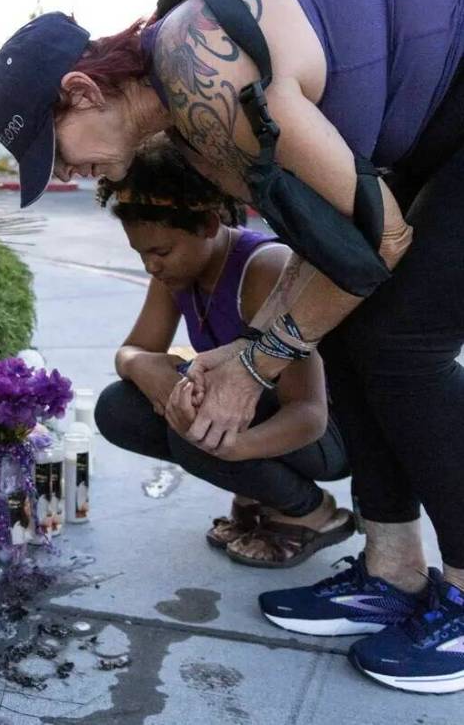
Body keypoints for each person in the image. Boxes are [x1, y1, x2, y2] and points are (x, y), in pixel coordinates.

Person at [0, 0, 464, 693]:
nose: (70, 173)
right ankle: (394, 569)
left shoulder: (196, 66)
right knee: (357, 328)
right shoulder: (188, 121)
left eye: (60, 151)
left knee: (406, 336)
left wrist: (252, 363)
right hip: (439, 112)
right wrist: (242, 351)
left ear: (81, 91)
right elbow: (326, 245)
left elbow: (379, 243)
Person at [94, 140, 351, 568]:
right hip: (261, 417)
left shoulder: (264, 270)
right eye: (140, 254)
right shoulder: (176, 272)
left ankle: (312, 512)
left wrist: (237, 451)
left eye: (160, 252)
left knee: (199, 427)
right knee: (118, 408)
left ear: (209, 224)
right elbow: (132, 350)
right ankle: (257, 495)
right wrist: (144, 367)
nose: (150, 267)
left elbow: (309, 412)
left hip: (332, 435)